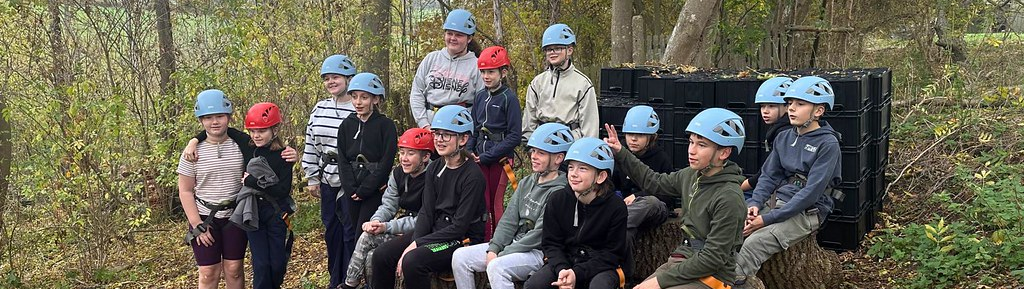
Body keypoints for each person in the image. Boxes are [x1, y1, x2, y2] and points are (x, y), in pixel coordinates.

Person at [603, 108, 748, 289]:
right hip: (684, 258)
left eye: (701, 145)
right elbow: (654, 182)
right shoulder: (690, 175)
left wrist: (659, 281)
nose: (691, 150)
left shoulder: (729, 197)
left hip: (714, 275)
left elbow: (713, 258)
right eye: (691, 142)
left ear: (724, 153)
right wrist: (621, 152)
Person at [734, 76, 843, 288]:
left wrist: (767, 220)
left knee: (755, 243)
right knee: (733, 227)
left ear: (818, 111)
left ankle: (734, 283)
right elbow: (769, 175)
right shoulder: (784, 137)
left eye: (800, 104)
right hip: (778, 200)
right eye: (790, 103)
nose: (791, 108)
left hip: (809, 210)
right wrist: (755, 203)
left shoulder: (828, 144)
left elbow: (811, 193)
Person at [371, 105, 486, 289]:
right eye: (437, 134)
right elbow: (427, 211)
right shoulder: (435, 167)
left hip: (460, 239)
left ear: (463, 139)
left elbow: (459, 227)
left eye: (446, 135)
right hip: (435, 231)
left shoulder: (473, 176)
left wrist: (418, 244)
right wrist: (415, 241)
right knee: (382, 254)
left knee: (413, 260)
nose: (439, 140)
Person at [452, 123, 574, 289]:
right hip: (512, 245)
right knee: (460, 257)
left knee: (497, 267)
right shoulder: (526, 182)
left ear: (558, 158)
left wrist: (502, 253)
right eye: (533, 151)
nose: (534, 156)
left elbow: (539, 235)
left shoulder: (560, 191)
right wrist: (494, 248)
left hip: (537, 252)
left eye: (541, 153)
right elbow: (508, 221)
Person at [524, 137, 627, 289]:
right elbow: (551, 243)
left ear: (601, 176)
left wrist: (577, 273)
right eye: (571, 167)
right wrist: (563, 269)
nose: (573, 174)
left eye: (582, 168)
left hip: (600, 267)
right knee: (534, 285)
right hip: (566, 261)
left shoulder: (616, 207)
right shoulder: (558, 199)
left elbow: (611, 254)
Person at [341, 128, 434, 289]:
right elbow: (389, 204)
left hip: (423, 231)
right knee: (370, 254)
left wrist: (388, 227)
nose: (404, 158)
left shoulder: (433, 177)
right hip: (403, 225)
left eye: (411, 153)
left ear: (425, 157)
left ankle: (349, 285)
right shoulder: (398, 174)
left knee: (367, 240)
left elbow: (424, 219)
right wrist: (376, 221)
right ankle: (354, 283)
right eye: (402, 153)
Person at [177, 89, 250, 289]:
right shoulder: (191, 153)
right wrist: (197, 224)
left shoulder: (241, 145)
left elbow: (267, 147)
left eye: (219, 116)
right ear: (201, 120)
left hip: (235, 215)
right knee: (208, 273)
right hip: (204, 216)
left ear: (228, 117)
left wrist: (288, 153)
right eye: (208, 118)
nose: (214, 122)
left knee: (234, 269)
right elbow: (185, 191)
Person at [303, 54, 359, 288]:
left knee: (350, 232)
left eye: (335, 77)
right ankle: (334, 279)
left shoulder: (358, 107)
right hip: (327, 178)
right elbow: (310, 143)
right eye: (326, 78)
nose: (330, 82)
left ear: (348, 78)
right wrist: (312, 176)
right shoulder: (320, 108)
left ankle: (350, 280)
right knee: (332, 232)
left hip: (352, 180)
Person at [337, 72, 399, 272]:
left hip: (373, 189)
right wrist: (350, 187)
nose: (358, 102)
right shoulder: (346, 125)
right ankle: (354, 275)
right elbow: (342, 158)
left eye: (364, 97)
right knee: (350, 233)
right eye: (355, 97)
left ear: (376, 99)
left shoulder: (385, 126)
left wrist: (366, 188)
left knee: (363, 233)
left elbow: (386, 161)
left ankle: (363, 278)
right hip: (352, 188)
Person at [233, 102, 295, 289]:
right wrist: (194, 141)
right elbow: (221, 128)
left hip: (276, 212)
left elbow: (282, 190)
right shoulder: (248, 146)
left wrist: (252, 181)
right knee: (261, 265)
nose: (256, 135)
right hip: (253, 212)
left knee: (277, 264)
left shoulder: (283, 155)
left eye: (262, 131)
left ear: (274, 130)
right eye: (252, 131)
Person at [467, 45, 522, 240]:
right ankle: (483, 239)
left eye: (491, 72)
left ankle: (498, 241)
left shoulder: (509, 99)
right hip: (480, 157)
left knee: (494, 203)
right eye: (483, 72)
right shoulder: (480, 97)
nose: (486, 76)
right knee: (482, 202)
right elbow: (474, 128)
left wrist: (487, 156)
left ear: (503, 72)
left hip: (500, 160)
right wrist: (470, 151)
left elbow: (515, 136)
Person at [611, 105, 674, 277]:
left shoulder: (661, 158)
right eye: (630, 134)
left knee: (650, 202)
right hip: (627, 212)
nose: (633, 139)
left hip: (654, 206)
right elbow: (613, 185)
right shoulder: (619, 157)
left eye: (639, 135)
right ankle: (625, 275)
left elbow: (669, 194)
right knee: (624, 232)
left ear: (651, 137)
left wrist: (638, 196)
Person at [409, 9, 485, 128]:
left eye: (459, 35)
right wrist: (424, 124)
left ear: (469, 38)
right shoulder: (431, 59)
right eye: (449, 33)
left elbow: (482, 102)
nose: (453, 38)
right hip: (429, 124)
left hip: (460, 126)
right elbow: (417, 92)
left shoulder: (476, 66)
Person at [521, 23, 599, 141]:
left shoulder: (583, 84)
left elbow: (590, 126)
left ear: (569, 50)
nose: (552, 52)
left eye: (557, 48)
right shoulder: (537, 83)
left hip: (570, 141)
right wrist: (529, 144)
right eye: (548, 49)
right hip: (542, 140)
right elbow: (529, 120)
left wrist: (585, 148)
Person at [741, 77, 793, 197]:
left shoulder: (785, 133)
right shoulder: (778, 128)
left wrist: (741, 187)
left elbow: (770, 171)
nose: (765, 111)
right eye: (762, 106)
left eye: (771, 106)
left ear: (787, 107)